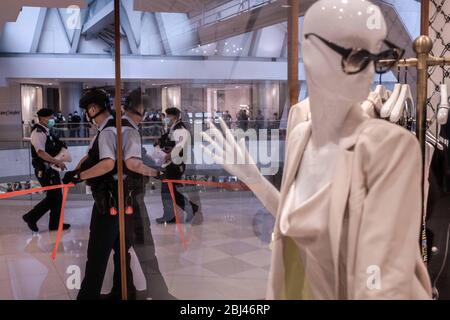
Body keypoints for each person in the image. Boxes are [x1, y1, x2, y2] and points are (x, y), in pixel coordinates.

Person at [63, 89, 135, 300]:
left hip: (108, 203)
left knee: (96, 256)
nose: (87, 115)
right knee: (121, 252)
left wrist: (79, 176)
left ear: (93, 109)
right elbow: (93, 157)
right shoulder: (117, 127)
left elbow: (106, 164)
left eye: (87, 110)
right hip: (123, 200)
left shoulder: (106, 132)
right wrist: (76, 171)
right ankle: (122, 293)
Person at [105, 89, 175, 300]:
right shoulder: (130, 131)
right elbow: (133, 163)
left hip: (117, 199)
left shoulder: (117, 127)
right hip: (132, 199)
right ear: (141, 109)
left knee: (121, 250)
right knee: (146, 249)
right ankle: (159, 293)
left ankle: (123, 291)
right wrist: (157, 173)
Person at [22, 108, 71, 232]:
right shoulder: (38, 133)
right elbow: (41, 153)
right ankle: (31, 217)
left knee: (56, 196)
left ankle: (55, 224)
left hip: (50, 168)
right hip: (44, 169)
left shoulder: (46, 131)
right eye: (50, 117)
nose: (52, 120)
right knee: (53, 197)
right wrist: (57, 162)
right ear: (43, 118)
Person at [156, 107, 198, 224]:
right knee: (168, 190)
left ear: (174, 117)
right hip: (172, 163)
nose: (166, 118)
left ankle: (188, 209)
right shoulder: (173, 128)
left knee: (168, 190)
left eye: (167, 116)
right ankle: (171, 215)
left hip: (176, 164)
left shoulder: (180, 129)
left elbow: (179, 147)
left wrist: (167, 156)